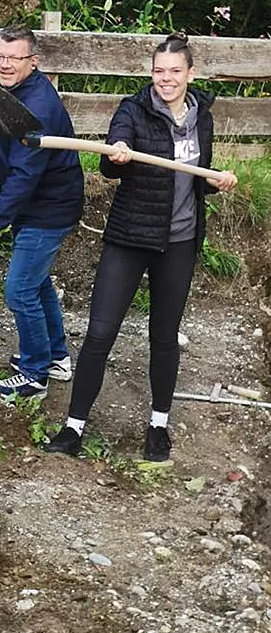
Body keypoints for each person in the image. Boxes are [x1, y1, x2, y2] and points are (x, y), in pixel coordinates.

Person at [44, 31, 238, 462]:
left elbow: (194, 182)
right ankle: (74, 427)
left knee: (164, 337)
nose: (165, 79)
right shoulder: (134, 110)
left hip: (181, 243)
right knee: (99, 334)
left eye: (174, 71)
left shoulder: (201, 115)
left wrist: (217, 182)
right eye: (158, 71)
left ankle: (158, 425)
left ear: (190, 73)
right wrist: (117, 153)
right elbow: (110, 161)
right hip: (130, 239)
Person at [0, 24, 84, 400]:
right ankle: (57, 357)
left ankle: (35, 373)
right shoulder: (20, 90)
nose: (4, 65)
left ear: (33, 61)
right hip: (36, 202)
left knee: (18, 289)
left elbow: (24, 179)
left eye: (13, 58)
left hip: (48, 207)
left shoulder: (39, 108)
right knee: (37, 282)